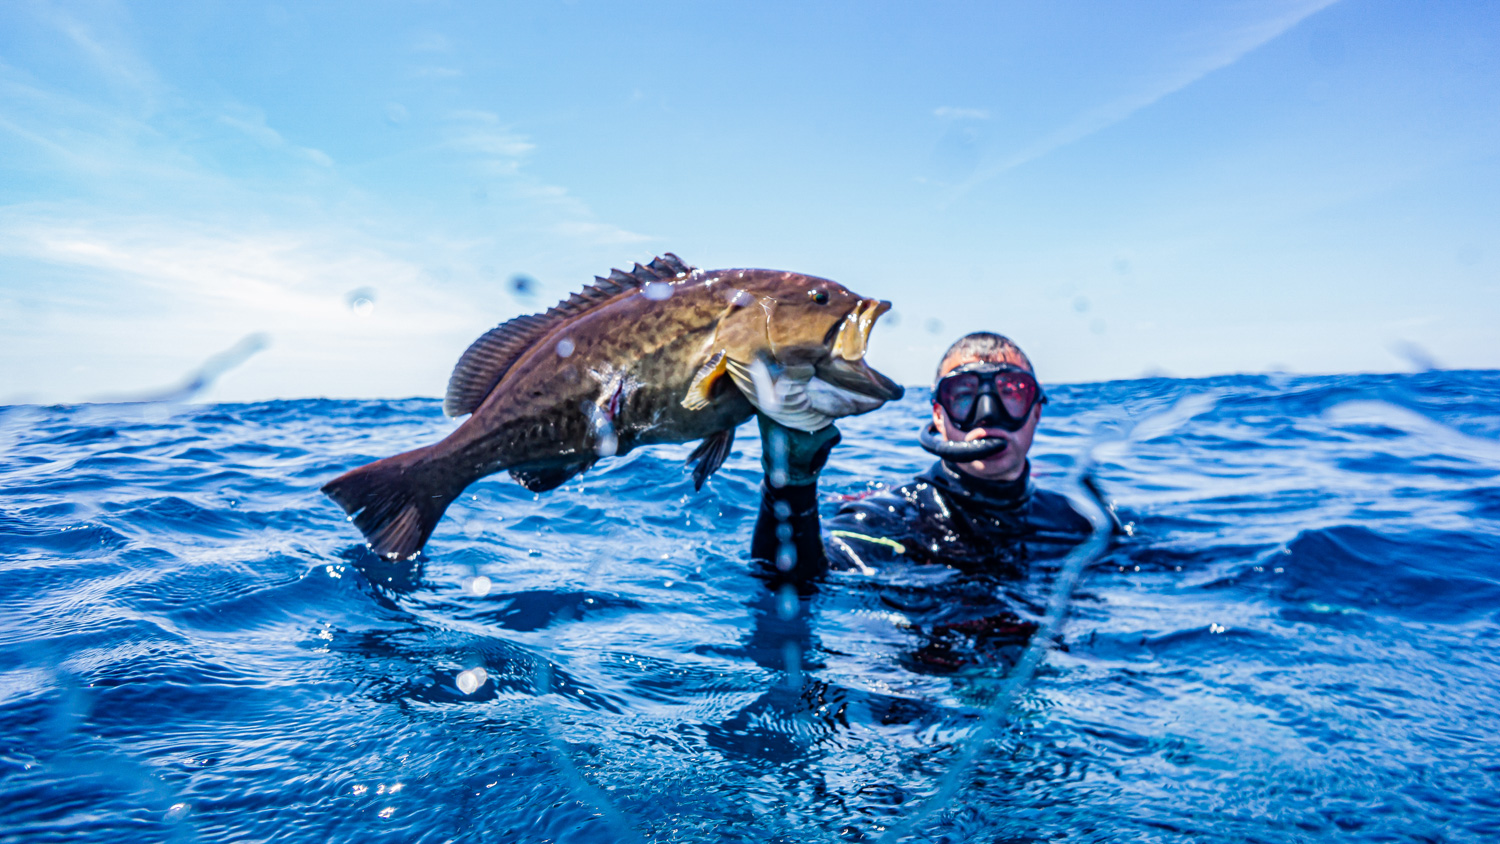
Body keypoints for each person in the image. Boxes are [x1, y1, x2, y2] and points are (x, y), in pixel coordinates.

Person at [750, 332, 1103, 587]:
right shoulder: (891, 519)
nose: (987, 415)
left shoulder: (1079, 525)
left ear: (1037, 412)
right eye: (963, 396)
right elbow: (791, 580)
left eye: (1011, 394)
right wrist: (792, 485)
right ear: (938, 415)